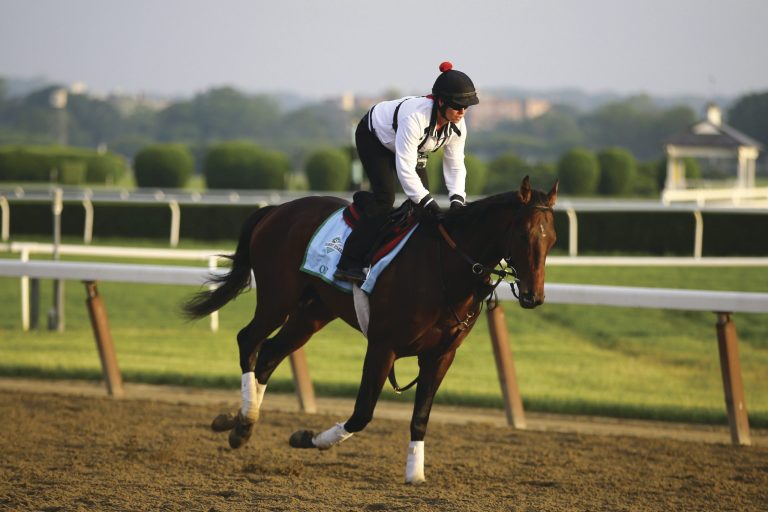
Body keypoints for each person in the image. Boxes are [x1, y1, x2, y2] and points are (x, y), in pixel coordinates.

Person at [333, 61, 480, 283]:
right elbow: (405, 169)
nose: (462, 112)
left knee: (420, 208)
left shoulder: (458, 126)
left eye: (466, 107)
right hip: (374, 137)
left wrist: (458, 201)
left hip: (409, 146)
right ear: (440, 102)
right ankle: (349, 262)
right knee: (386, 199)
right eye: (458, 106)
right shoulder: (416, 118)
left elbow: (455, 164)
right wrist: (428, 202)